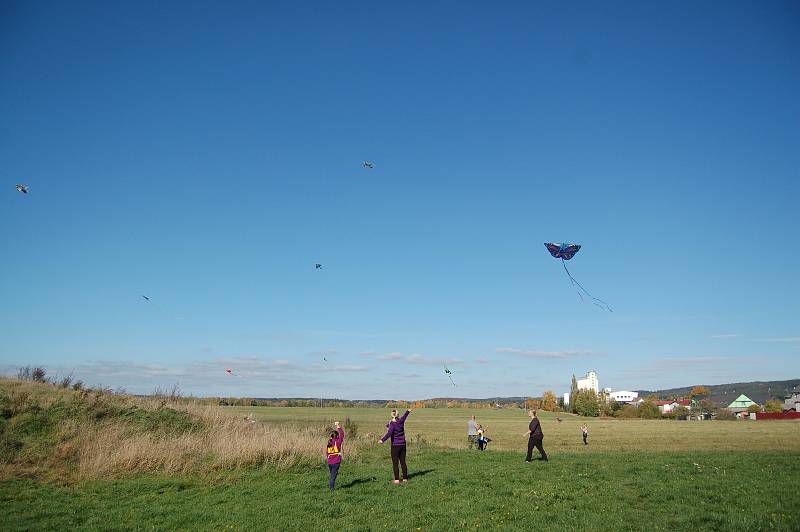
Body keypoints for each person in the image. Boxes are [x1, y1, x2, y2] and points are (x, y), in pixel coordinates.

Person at [378, 408, 411, 483]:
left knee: (395, 463)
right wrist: (408, 411)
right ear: (398, 415)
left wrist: (382, 440)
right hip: (403, 444)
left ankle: (396, 480)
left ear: (391, 415)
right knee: (403, 461)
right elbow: (405, 416)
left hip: (395, 446)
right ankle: (405, 478)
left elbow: (389, 433)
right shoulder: (401, 421)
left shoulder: (392, 424)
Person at [326, 421, 345, 492]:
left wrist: (328, 457)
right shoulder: (338, 441)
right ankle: (332, 489)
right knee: (333, 476)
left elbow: (327, 453)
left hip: (330, 462)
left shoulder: (329, 443)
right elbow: (342, 434)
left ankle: (331, 485)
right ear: (337, 436)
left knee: (332, 474)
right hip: (336, 462)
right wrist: (338, 426)